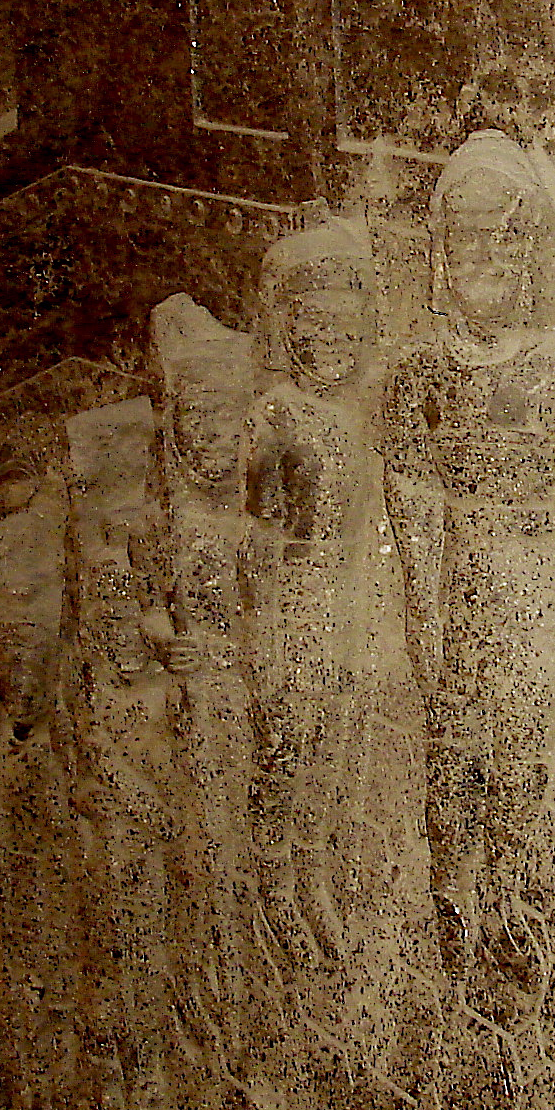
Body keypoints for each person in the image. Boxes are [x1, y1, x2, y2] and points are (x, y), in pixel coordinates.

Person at [379, 133, 555, 967]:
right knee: (454, 748)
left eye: (501, 238)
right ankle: (452, 897)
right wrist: (422, 605)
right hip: (460, 584)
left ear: (530, 250)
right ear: (440, 255)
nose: (482, 258)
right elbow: (413, 491)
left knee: (524, 747)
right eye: (466, 241)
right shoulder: (420, 371)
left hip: (533, 584)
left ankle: (511, 893)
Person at [239, 216, 382, 962]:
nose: (332, 342)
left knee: (334, 742)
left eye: (346, 327)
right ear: (287, 329)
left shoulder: (362, 413)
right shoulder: (275, 416)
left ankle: (314, 867)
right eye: (315, 325)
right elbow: (256, 530)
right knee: (286, 746)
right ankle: (273, 879)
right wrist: (265, 625)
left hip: (351, 596)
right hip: (294, 602)